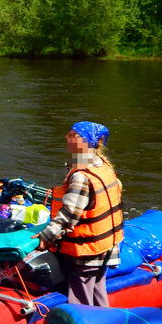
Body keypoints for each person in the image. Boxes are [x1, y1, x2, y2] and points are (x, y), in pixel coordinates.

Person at [37, 121, 124, 308]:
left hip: (86, 251)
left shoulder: (81, 176)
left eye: (72, 135)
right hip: (105, 246)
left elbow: (69, 214)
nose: (66, 138)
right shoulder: (103, 165)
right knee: (98, 289)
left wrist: (46, 236)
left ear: (84, 141)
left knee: (81, 299)